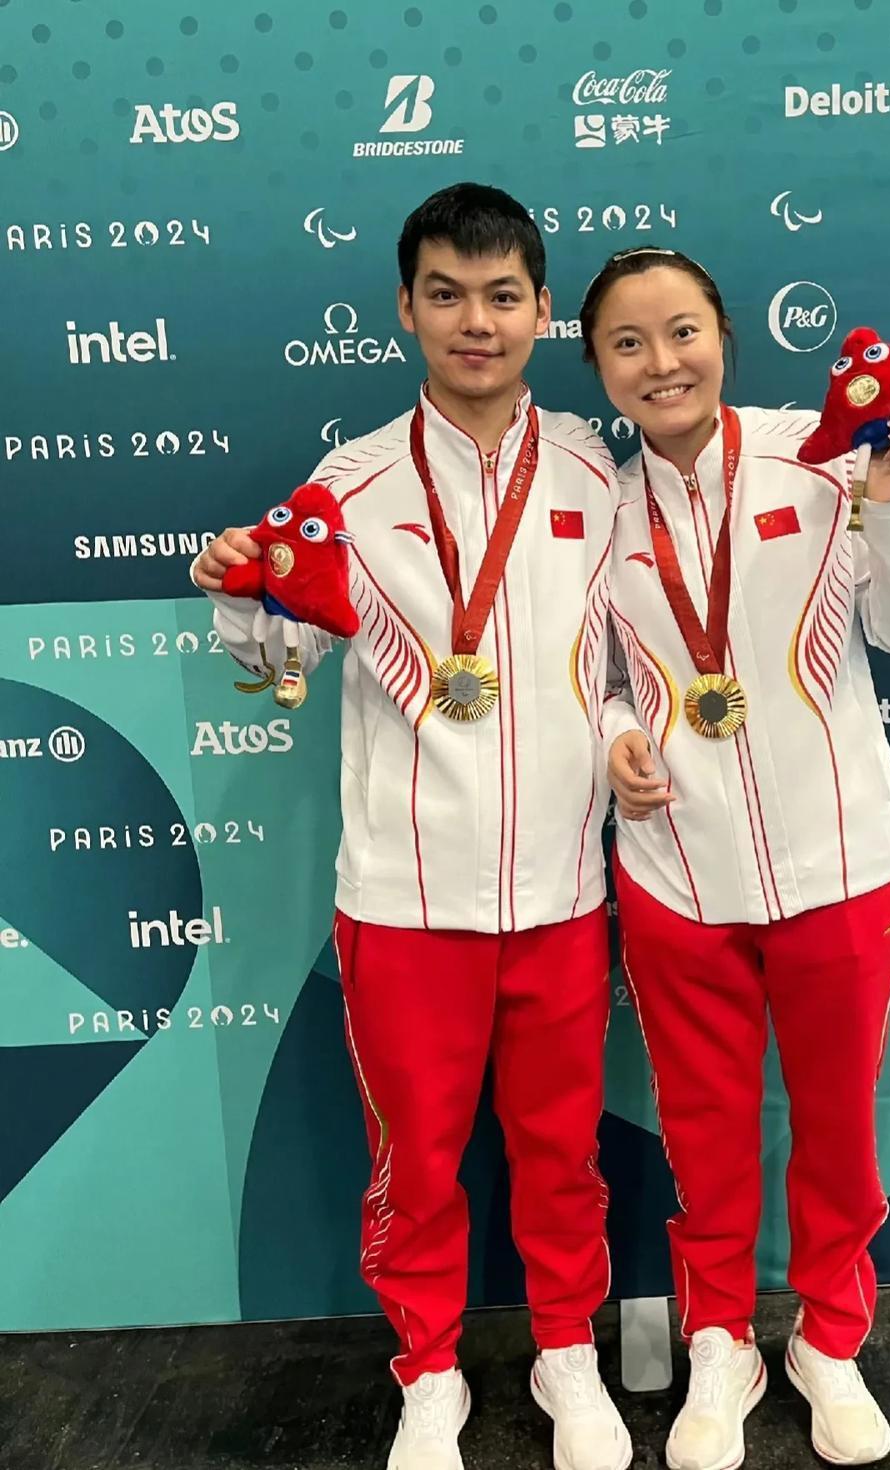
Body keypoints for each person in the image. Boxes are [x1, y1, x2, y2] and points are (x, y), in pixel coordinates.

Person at [192, 184, 632, 1470]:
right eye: (446, 295)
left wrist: (623, 741)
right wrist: (240, 598)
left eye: (501, 297)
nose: (474, 322)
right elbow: (281, 661)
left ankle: (565, 1353)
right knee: (417, 1164)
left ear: (542, 312)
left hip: (559, 893)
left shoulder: (593, 474)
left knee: (561, 1156)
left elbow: (620, 664)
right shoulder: (350, 483)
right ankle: (427, 1371)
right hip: (403, 899)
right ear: (405, 307)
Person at [583, 247, 890, 1470]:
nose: (660, 362)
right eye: (627, 343)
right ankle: (720, 1343)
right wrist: (615, 739)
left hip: (839, 867)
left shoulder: (820, 453)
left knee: (836, 1129)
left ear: (722, 337)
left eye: (680, 331)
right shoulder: (595, 512)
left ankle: (828, 1339)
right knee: (703, 1133)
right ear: (598, 368)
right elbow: (591, 682)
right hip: (678, 876)